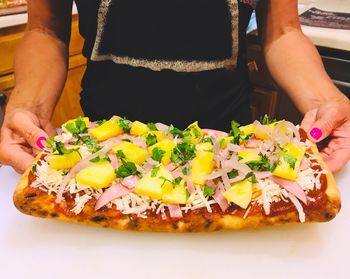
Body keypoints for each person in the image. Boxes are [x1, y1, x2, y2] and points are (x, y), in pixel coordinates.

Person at [0, 0, 349, 174]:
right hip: (102, 152)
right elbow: (45, 29)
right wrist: (27, 107)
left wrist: (324, 100)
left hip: (226, 152)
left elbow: (282, 30)